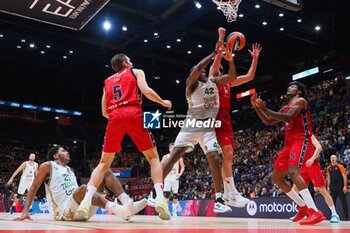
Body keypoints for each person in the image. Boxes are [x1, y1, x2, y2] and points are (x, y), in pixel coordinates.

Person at [78, 53, 172, 220]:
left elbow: (104, 112)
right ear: (125, 63)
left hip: (115, 116)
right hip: (134, 112)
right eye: (129, 60)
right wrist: (162, 102)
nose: (132, 61)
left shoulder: (107, 82)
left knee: (103, 163)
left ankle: (86, 201)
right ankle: (160, 198)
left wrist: (118, 117)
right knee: (153, 158)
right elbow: (146, 91)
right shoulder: (136, 72)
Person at [162, 27, 236, 213]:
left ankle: (219, 199)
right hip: (191, 125)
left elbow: (232, 77)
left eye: (203, 71)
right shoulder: (191, 85)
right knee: (173, 158)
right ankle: (155, 192)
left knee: (215, 158)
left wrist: (230, 59)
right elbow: (198, 68)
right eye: (199, 71)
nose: (202, 72)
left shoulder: (213, 82)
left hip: (208, 128)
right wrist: (214, 52)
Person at [251, 81, 325, 225]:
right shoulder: (286, 107)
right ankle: (302, 207)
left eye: (292, 87)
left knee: (293, 172)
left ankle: (314, 212)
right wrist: (257, 108)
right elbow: (267, 121)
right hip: (289, 143)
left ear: (299, 92)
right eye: (288, 86)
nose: (288, 87)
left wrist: (265, 108)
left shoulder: (301, 101)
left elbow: (288, 117)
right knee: (276, 178)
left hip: (301, 139)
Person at [16, 146, 147, 221]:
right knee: (83, 188)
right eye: (63, 150)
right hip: (64, 213)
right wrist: (25, 211)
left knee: (104, 171)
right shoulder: (48, 166)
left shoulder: (69, 169)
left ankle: (127, 203)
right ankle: (121, 211)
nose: (67, 152)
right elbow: (33, 187)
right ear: (55, 156)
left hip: (83, 209)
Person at [211, 42, 262, 207]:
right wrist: (224, 51)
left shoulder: (228, 82)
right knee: (226, 151)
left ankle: (229, 192)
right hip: (216, 119)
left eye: (219, 68)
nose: (216, 68)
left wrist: (255, 59)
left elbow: (250, 76)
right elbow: (216, 61)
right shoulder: (212, 80)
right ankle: (231, 192)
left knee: (229, 155)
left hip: (227, 121)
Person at [292, 135, 340, 223]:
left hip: (312, 165)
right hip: (302, 167)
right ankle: (305, 212)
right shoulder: (295, 138)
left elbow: (319, 147)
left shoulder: (309, 134)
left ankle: (335, 214)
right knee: (294, 190)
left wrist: (312, 158)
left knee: (322, 190)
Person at [327, 154, 348, 220]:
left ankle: (346, 215)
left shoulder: (340, 166)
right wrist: (328, 187)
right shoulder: (328, 168)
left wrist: (345, 186)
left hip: (340, 184)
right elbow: (328, 177)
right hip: (332, 185)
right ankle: (333, 214)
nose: (332, 159)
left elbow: (344, 176)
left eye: (334, 158)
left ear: (336, 159)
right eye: (331, 158)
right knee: (332, 201)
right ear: (330, 159)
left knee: (343, 200)